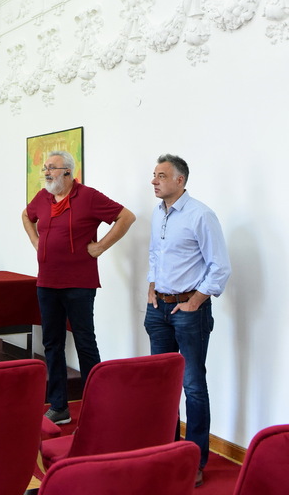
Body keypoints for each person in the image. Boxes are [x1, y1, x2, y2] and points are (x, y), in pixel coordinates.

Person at [22, 150, 136, 424]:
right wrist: (36, 241)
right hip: (47, 282)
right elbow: (26, 216)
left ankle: (97, 405)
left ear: (68, 172)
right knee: (52, 343)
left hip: (79, 284)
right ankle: (59, 406)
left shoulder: (88, 196)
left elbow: (127, 217)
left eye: (52, 167)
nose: (46, 172)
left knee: (85, 342)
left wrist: (100, 247)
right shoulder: (43, 197)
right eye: (45, 167)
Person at [145, 154, 231, 488]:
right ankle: (165, 452)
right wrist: (151, 288)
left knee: (192, 385)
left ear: (180, 180)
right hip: (159, 309)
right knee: (160, 384)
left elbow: (220, 266)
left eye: (161, 176)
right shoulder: (158, 213)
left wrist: (195, 301)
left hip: (189, 312)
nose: (154, 181)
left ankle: (194, 460)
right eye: (154, 175)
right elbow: (155, 254)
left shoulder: (201, 215)